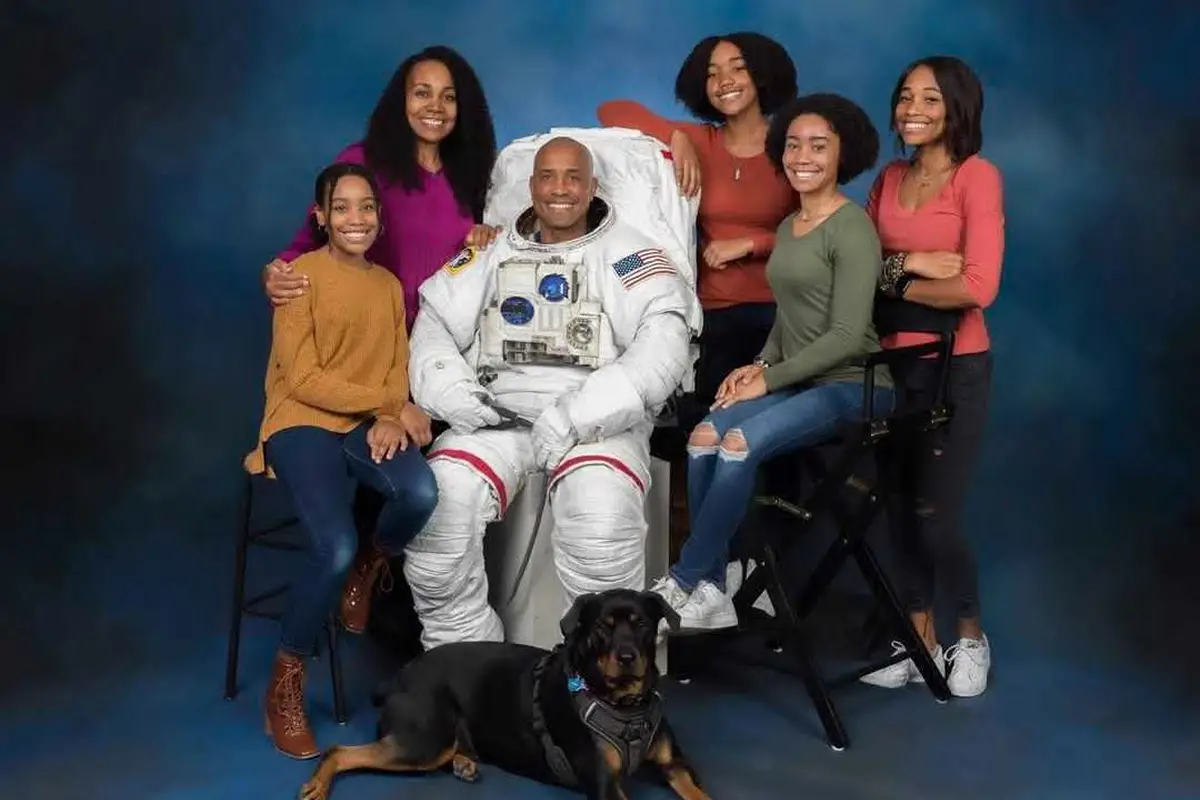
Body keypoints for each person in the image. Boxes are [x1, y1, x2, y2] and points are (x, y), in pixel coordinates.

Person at [402, 136, 698, 649]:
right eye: (547, 176)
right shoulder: (489, 250)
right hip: (496, 417)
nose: (560, 188)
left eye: (573, 177)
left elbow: (663, 341)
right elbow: (433, 322)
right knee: (440, 507)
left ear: (592, 186)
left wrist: (579, 415)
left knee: (600, 518)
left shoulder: (629, 254)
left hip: (594, 422)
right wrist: (452, 394)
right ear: (531, 185)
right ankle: (466, 664)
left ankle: (596, 680)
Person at [261, 45, 499, 633]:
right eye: (422, 92)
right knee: (380, 476)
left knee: (425, 492)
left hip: (437, 353)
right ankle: (363, 622)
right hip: (365, 357)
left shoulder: (474, 178)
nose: (436, 106)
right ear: (401, 99)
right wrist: (277, 272)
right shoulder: (364, 162)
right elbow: (305, 247)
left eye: (449, 96)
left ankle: (379, 578)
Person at [648, 94, 892, 632]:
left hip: (854, 386)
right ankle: (712, 589)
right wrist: (757, 365)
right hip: (799, 381)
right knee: (706, 435)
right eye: (794, 145)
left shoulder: (852, 227)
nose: (803, 156)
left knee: (740, 442)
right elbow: (790, 318)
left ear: (842, 154)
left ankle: (688, 580)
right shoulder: (789, 228)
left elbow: (850, 336)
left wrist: (770, 380)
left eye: (819, 146)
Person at [243, 163, 440, 758]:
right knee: (332, 546)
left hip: (361, 423)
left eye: (367, 207)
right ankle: (286, 676)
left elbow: (395, 364)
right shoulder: (299, 277)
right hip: (299, 421)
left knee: (420, 494)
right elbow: (302, 378)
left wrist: (390, 409)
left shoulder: (386, 286)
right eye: (343, 207)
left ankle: (368, 568)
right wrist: (389, 405)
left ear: (379, 219)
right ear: (321, 216)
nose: (357, 218)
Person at [859, 56, 1004, 697]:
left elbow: (978, 287)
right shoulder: (889, 177)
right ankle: (917, 635)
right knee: (894, 507)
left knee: (936, 514)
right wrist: (913, 265)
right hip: (889, 364)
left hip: (956, 367)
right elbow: (860, 273)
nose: (912, 109)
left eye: (930, 99)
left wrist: (894, 275)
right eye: (905, 97)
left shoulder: (977, 177)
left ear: (955, 109)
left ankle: (969, 634)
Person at [597, 32, 798, 412]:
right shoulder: (701, 140)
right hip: (714, 312)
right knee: (708, 421)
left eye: (738, 69)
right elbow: (611, 109)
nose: (724, 81)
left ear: (763, 75)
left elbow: (817, 232)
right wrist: (676, 136)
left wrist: (752, 244)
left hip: (781, 311)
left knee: (771, 428)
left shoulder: (792, 145)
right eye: (712, 73)